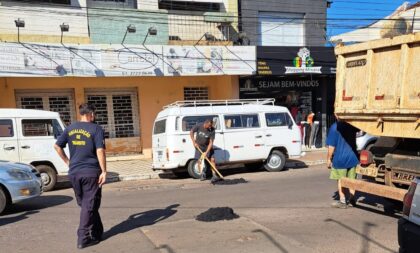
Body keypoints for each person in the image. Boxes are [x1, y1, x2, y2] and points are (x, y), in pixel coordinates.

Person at [54, 103, 107, 249]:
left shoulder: (70, 128)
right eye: (94, 114)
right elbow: (100, 150)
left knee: (87, 204)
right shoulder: (96, 128)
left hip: (74, 173)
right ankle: (83, 238)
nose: (94, 116)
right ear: (91, 114)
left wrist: (68, 162)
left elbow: (57, 146)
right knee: (88, 205)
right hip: (91, 173)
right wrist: (104, 171)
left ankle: (97, 232)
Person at [326, 117, 359, 209]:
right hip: (353, 157)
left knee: (341, 180)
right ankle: (352, 199)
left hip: (340, 159)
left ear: (336, 115)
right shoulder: (352, 125)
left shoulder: (335, 127)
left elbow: (331, 146)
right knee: (352, 180)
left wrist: (328, 159)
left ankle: (343, 201)